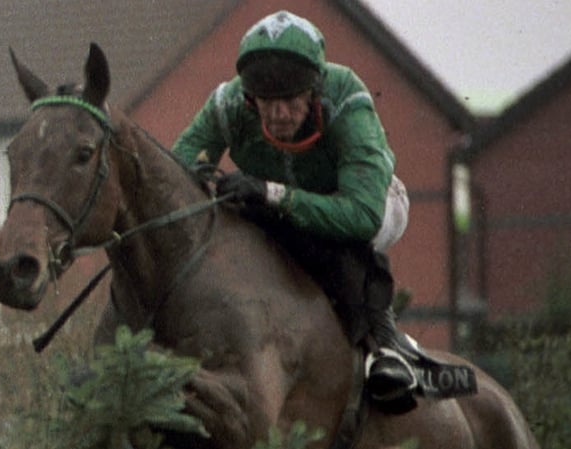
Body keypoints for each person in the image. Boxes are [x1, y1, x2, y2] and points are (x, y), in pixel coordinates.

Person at [172, 10, 418, 410]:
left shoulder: (346, 99)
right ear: (250, 97)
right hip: (283, 203)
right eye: (267, 102)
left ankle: (385, 347)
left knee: (331, 239)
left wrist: (273, 194)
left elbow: (361, 215)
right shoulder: (228, 103)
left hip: (372, 204)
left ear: (315, 91)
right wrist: (200, 178)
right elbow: (178, 169)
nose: (280, 114)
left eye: (291, 100)